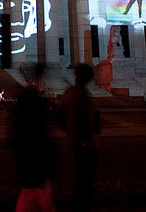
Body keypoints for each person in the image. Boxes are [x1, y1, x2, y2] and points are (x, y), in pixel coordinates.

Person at [13, 70, 56, 212]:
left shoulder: (21, 119)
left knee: (29, 197)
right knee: (40, 198)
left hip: (27, 167)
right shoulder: (39, 117)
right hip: (38, 166)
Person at [61, 63, 99, 211]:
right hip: (85, 144)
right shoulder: (82, 94)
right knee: (85, 180)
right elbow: (85, 120)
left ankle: (78, 205)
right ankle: (81, 206)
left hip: (75, 142)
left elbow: (62, 119)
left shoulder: (69, 93)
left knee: (81, 178)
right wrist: (86, 141)